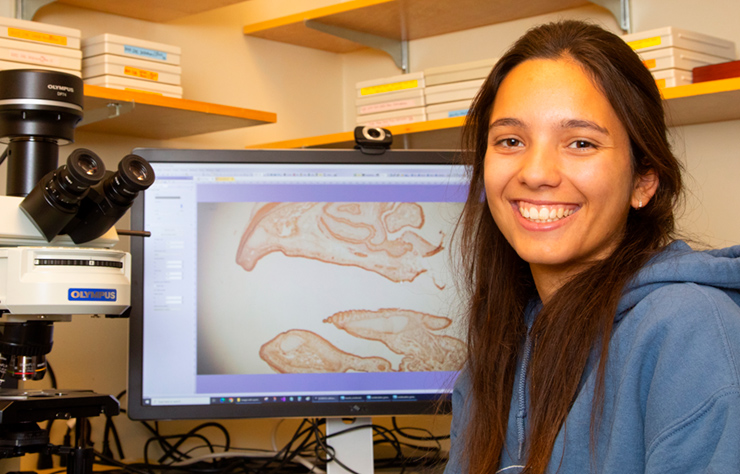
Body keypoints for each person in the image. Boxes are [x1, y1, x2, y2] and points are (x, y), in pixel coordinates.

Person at [444, 20, 740, 474]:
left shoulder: (689, 331)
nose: (536, 172)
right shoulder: (499, 349)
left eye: (581, 143)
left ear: (644, 180)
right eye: (511, 141)